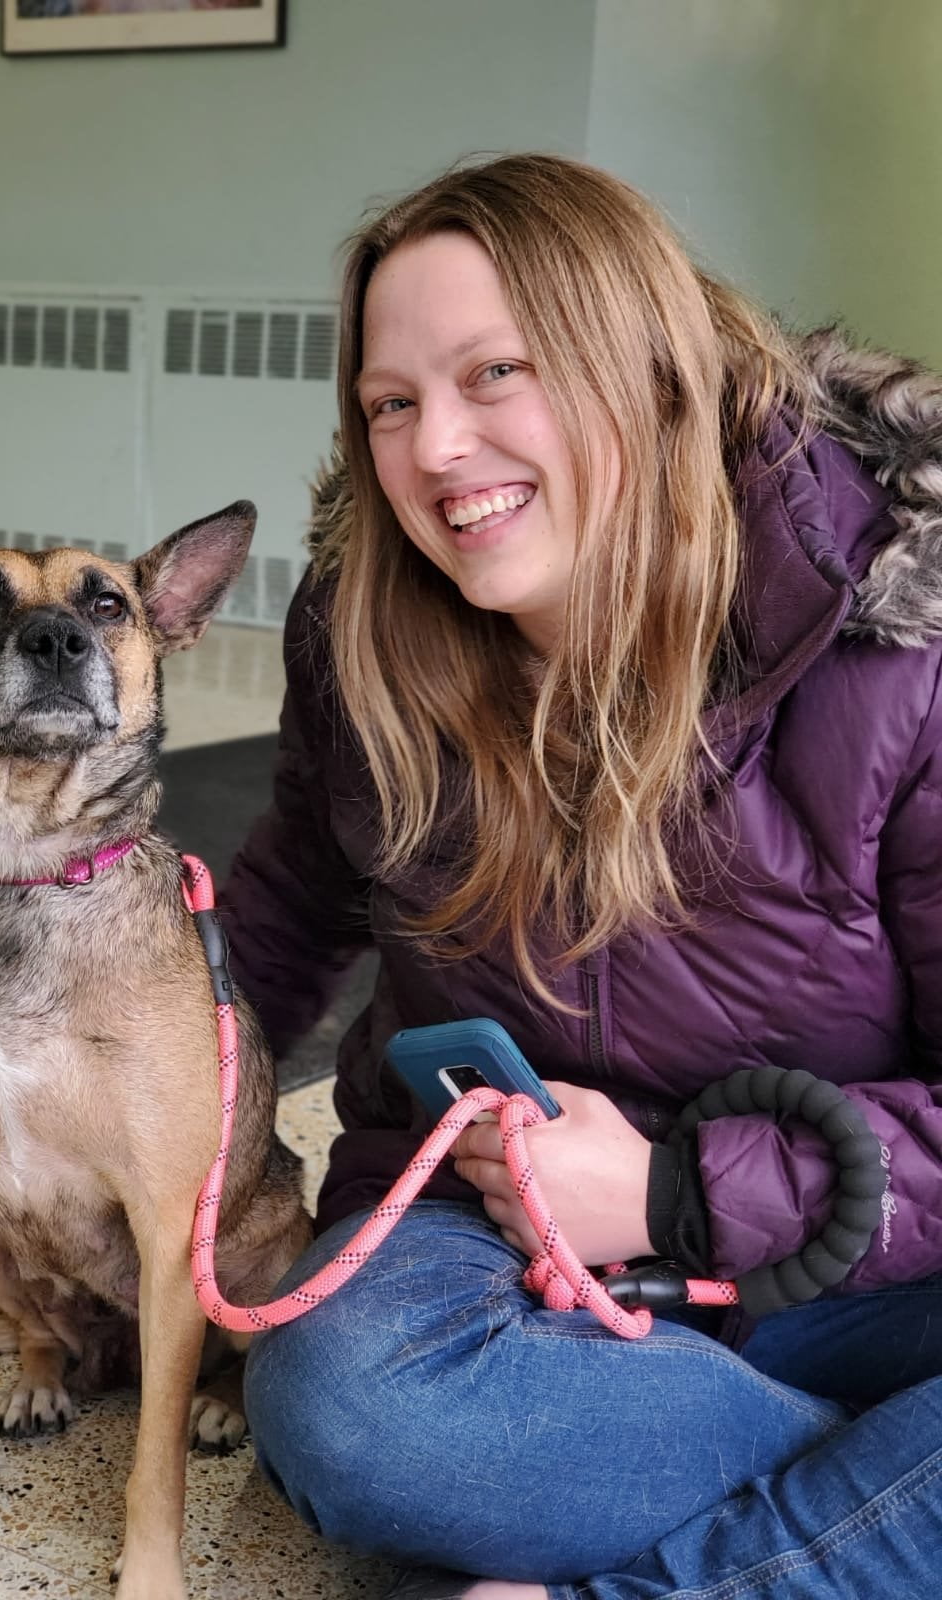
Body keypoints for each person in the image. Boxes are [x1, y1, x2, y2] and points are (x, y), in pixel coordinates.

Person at [219, 153, 942, 1599]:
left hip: (869, 1263)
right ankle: (872, 1505)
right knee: (344, 1402)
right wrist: (116, 1083)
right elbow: (287, 918)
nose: (433, 453)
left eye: (497, 373)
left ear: (648, 369)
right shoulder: (360, 623)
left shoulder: (906, 631)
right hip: (496, 1244)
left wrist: (678, 1190)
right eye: (391, 405)